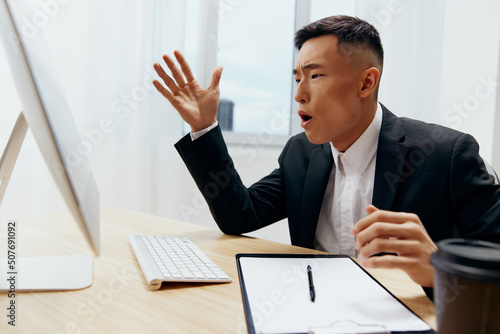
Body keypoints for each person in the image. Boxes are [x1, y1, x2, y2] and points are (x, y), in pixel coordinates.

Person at [152, 15, 500, 298]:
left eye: (315, 76)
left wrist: (438, 268)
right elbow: (239, 216)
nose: (299, 94)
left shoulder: (446, 154)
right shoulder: (299, 154)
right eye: (297, 77)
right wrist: (205, 127)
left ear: (366, 83)